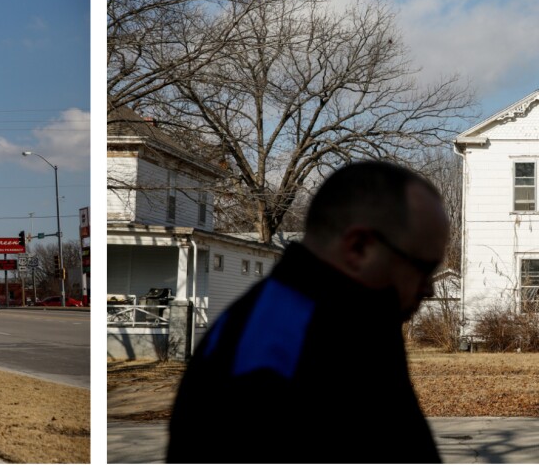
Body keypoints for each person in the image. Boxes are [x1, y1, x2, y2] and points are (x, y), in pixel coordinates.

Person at [167, 160, 448, 464]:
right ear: (359, 248)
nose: (429, 289)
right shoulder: (277, 348)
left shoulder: (357, 318)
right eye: (423, 268)